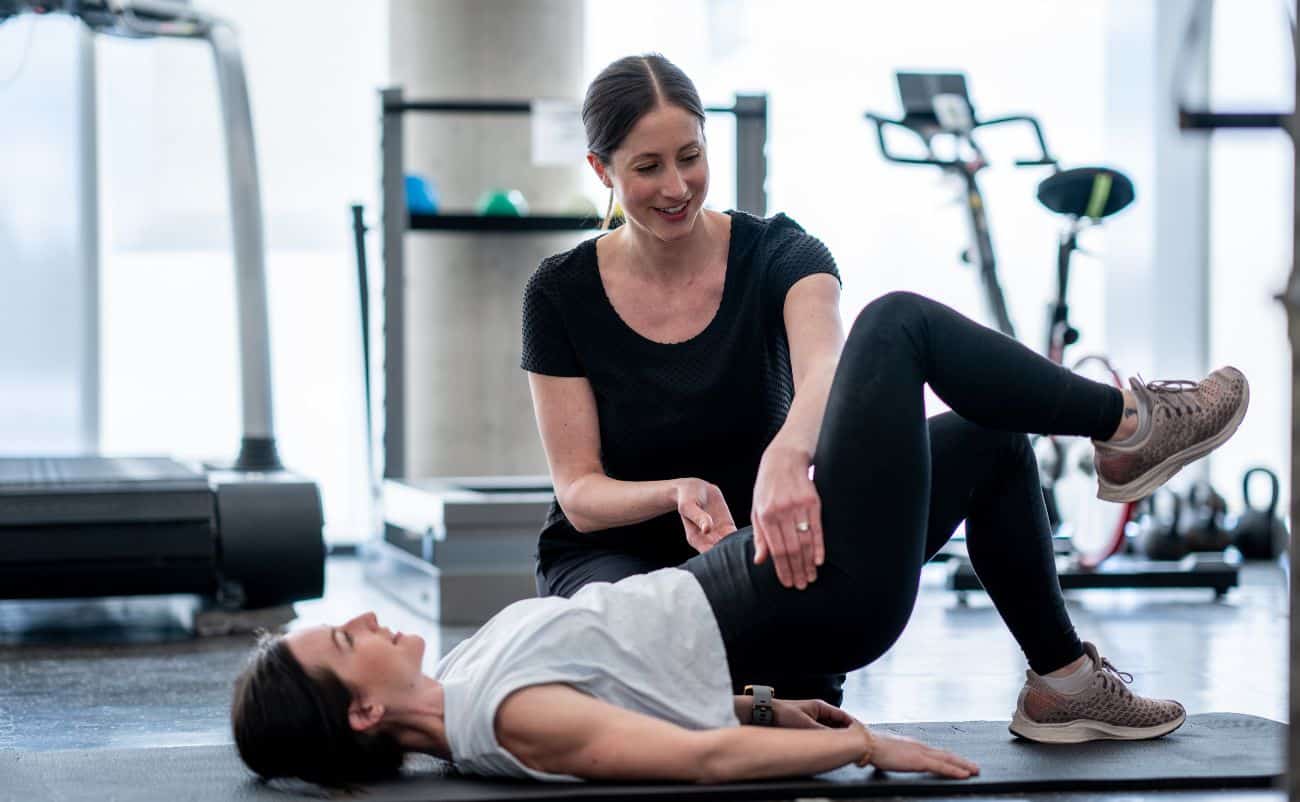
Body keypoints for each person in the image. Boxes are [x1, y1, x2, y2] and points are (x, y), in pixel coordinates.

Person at [231, 289, 1250, 787]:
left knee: (986, 441)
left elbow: (633, 681)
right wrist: (857, 742)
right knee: (896, 326)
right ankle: (1126, 426)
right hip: (806, 595)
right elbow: (694, 761)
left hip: (755, 592)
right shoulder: (504, 718)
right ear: (363, 708)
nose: (360, 614)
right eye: (340, 637)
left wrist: (764, 702)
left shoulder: (465, 681)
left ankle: (1061, 682)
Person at [522, 53, 852, 704]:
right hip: (612, 560)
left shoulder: (784, 254)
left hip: (751, 548)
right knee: (646, 646)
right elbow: (580, 495)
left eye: (690, 156)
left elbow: (829, 369)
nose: (676, 186)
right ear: (602, 169)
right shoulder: (559, 291)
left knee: (799, 685)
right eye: (648, 167)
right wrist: (677, 492)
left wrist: (789, 453)